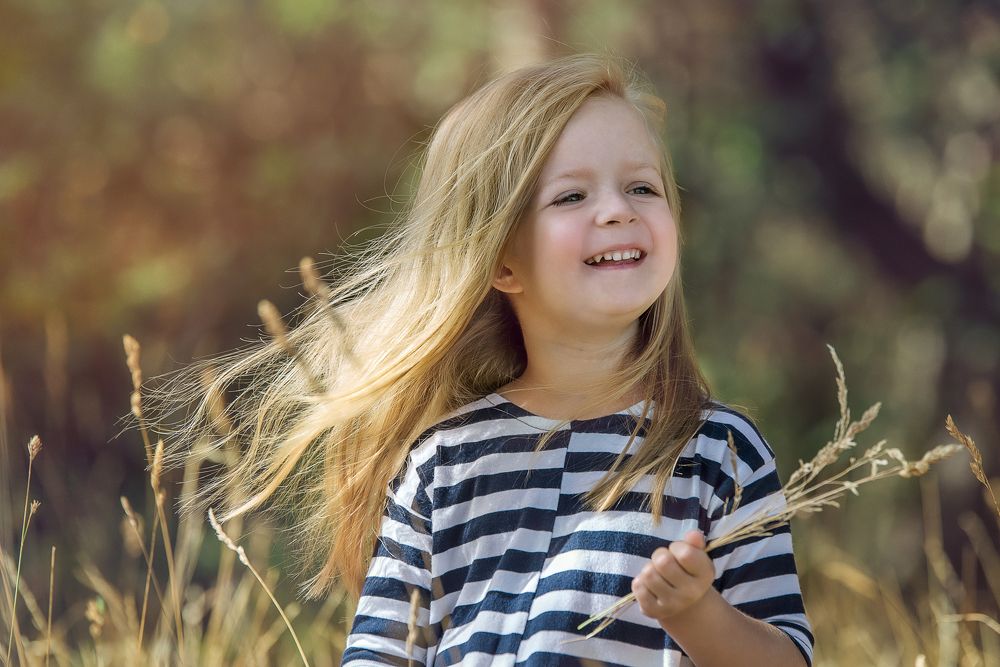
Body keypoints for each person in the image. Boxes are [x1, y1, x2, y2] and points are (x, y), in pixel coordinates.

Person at [164, 53, 812, 666]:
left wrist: (697, 612)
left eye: (642, 187)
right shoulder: (445, 462)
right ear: (502, 261)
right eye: (571, 197)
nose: (618, 211)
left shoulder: (720, 452)